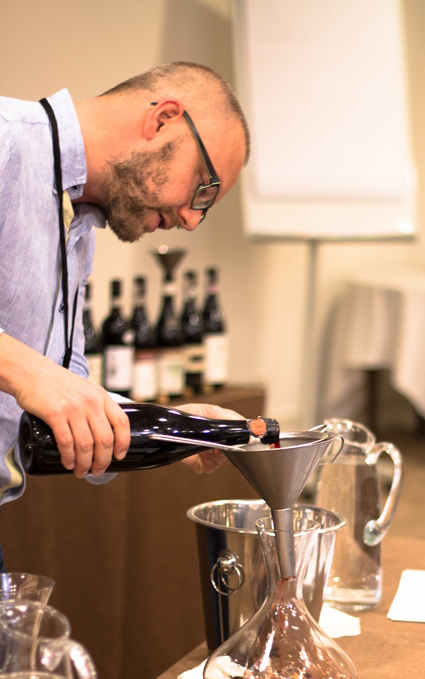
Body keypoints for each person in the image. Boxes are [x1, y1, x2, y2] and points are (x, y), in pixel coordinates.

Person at [0, 61, 250, 509]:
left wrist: (170, 426)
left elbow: (71, 397)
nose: (191, 221)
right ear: (163, 119)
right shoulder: (4, 138)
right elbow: (41, 380)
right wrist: (28, 372)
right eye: (203, 189)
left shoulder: (78, 234)